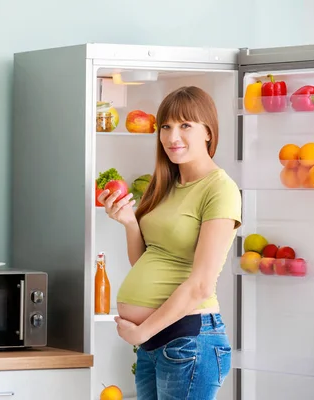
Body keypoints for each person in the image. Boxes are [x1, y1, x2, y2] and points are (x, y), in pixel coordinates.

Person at [97, 86, 242, 400]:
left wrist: (142, 331)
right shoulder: (166, 183)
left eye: (185, 125)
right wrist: (129, 222)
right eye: (166, 126)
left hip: (189, 338)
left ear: (208, 132)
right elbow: (147, 261)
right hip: (154, 343)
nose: (172, 136)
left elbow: (201, 285)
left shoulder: (220, 189)